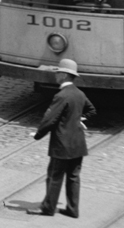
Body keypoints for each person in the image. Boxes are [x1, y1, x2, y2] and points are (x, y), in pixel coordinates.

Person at [31, 58, 96, 218]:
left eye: (59, 72)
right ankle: (73, 209)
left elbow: (50, 119)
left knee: (55, 175)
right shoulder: (79, 94)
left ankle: (48, 207)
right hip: (78, 144)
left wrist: (38, 135)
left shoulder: (61, 96)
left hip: (62, 145)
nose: (56, 75)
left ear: (65, 76)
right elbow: (91, 110)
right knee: (73, 177)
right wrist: (79, 119)